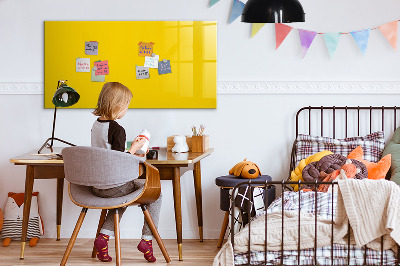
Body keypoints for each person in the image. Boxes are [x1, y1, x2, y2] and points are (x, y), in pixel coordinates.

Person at [91, 82, 161, 263]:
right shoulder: (117, 129)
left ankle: (103, 238)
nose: (126, 110)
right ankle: (147, 240)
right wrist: (136, 148)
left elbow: (108, 154)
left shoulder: (96, 125)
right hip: (114, 186)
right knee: (156, 194)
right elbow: (119, 161)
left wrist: (131, 149)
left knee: (121, 197)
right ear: (118, 105)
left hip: (97, 186)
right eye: (126, 106)